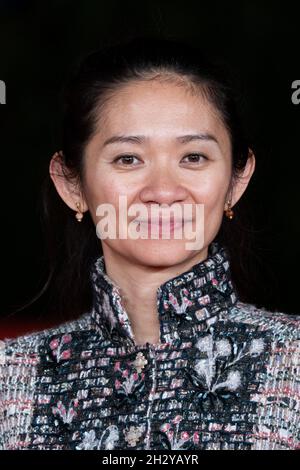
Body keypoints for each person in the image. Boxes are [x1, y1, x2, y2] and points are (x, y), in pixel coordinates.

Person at [0, 37, 299, 451]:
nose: (163, 191)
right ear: (73, 185)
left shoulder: (293, 360)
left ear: (236, 180)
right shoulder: (12, 375)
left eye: (193, 157)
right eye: (128, 159)